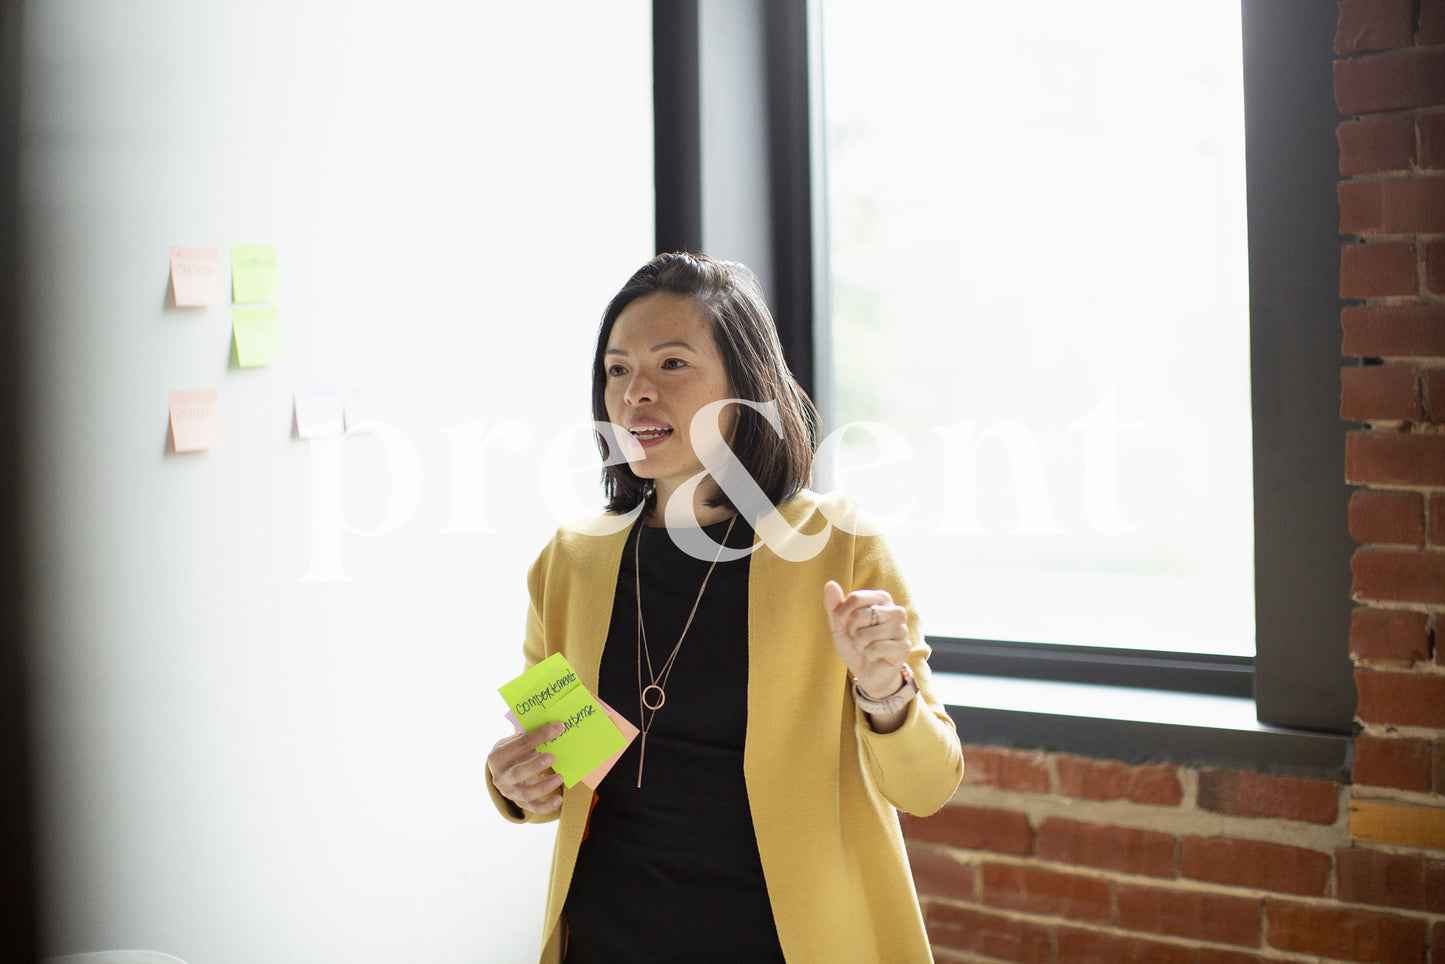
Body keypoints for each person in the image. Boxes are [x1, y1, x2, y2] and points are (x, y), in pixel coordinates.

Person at [486, 252, 963, 963]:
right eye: (617, 369)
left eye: (671, 364)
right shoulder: (571, 561)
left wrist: (885, 691)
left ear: (745, 384)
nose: (634, 394)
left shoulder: (834, 547)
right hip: (607, 934)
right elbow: (556, 768)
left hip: (784, 942)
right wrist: (515, 782)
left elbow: (925, 786)